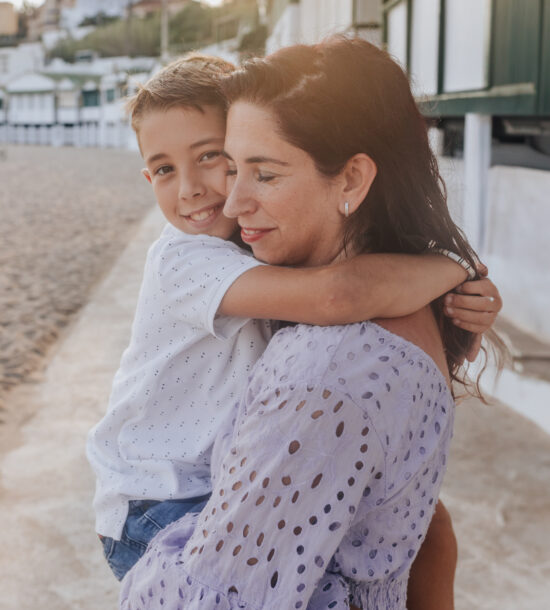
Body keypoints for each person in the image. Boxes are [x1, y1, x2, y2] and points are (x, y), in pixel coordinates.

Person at [119, 38, 506, 610]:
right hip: (158, 497)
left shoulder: (323, 375)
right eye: (162, 169)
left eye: (252, 170)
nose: (226, 202)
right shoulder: (190, 257)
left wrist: (460, 282)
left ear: (351, 180)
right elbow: (339, 293)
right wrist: (450, 270)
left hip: (196, 504)